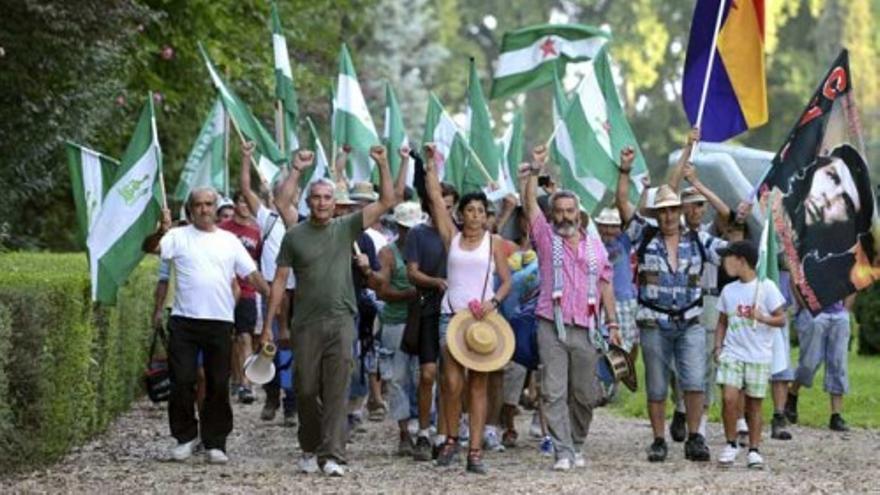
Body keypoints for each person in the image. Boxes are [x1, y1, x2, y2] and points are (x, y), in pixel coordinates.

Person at [260, 145, 396, 477]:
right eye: (316, 197)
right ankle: (309, 446)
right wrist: (269, 327)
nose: (322, 202)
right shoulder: (295, 236)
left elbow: (387, 202)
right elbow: (278, 281)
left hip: (341, 320)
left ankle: (333, 454)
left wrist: (382, 163)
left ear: (335, 203)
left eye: (327, 197)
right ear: (308, 203)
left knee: (337, 389)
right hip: (305, 323)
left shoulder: (346, 228)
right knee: (305, 389)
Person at [143, 187, 270, 465]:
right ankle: (185, 437)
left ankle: (216, 442)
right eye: (198, 205)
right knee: (183, 381)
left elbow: (251, 274)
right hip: (184, 321)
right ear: (191, 209)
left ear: (216, 208)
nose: (204, 209)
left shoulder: (229, 241)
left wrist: (272, 296)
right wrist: (161, 230)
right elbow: (150, 247)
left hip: (220, 321)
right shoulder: (177, 236)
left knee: (217, 384)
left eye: (209, 204)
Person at [617, 157, 727, 463]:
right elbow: (623, 204)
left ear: (680, 211)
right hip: (653, 322)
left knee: (695, 382)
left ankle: (695, 438)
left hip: (690, 322)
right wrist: (624, 172)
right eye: (662, 210)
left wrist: (747, 258)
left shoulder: (698, 239)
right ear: (657, 213)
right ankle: (658, 440)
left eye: (672, 209)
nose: (667, 215)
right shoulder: (646, 235)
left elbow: (728, 248)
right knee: (656, 384)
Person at [521, 146, 619, 471]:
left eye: (569, 210)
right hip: (551, 323)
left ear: (578, 214)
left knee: (586, 393)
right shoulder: (546, 237)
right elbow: (529, 204)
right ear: (553, 215)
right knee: (552, 390)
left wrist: (614, 324)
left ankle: (577, 443)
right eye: (558, 210)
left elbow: (605, 283)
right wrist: (535, 172)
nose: (564, 215)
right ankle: (562, 451)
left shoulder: (595, 245)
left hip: (588, 327)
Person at [423, 143, 512, 475]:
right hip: (452, 316)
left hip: (485, 321)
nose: (474, 215)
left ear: (486, 215)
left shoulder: (495, 243)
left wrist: (493, 302)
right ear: (460, 214)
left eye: (480, 210)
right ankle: (449, 439)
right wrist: (430, 164)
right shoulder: (453, 237)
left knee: (479, 384)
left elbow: (506, 281)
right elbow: (434, 198)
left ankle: (475, 451)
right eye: (469, 210)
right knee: (450, 382)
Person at [239, 143, 311, 425]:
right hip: (270, 289)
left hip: (299, 292)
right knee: (267, 343)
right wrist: (246, 158)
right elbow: (246, 189)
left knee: (293, 345)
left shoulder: (303, 222)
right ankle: (271, 395)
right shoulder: (266, 219)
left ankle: (292, 402)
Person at [713, 241, 786, 469]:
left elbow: (781, 318)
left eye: (728, 257)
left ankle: (754, 449)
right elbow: (722, 322)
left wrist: (763, 317)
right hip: (733, 353)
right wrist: (718, 347)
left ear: (741, 260)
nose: (724, 262)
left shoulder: (767, 288)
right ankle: (731, 442)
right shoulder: (728, 290)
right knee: (729, 398)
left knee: (754, 405)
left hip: (758, 355)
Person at [405, 180, 459, 462]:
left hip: (456, 311)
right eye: (441, 205)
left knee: (450, 377)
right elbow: (411, 272)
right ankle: (423, 430)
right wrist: (435, 281)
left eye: (450, 207)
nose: (445, 211)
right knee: (427, 374)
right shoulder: (417, 234)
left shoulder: (461, 235)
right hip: (428, 308)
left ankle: (444, 432)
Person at [375, 201, 423, 456]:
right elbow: (382, 290)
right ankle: (404, 433)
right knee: (397, 378)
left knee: (423, 376)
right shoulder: (388, 253)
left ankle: (425, 429)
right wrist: (409, 294)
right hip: (397, 321)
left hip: (422, 320)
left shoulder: (425, 249)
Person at [218, 191, 262, 404]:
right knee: (231, 338)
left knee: (245, 337)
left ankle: (246, 383)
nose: (245, 206)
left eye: (248, 202)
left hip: (247, 291)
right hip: (223, 290)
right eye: (241, 201)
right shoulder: (223, 230)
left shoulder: (256, 232)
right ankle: (235, 378)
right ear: (234, 205)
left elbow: (259, 262)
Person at [786, 295, 854, 432]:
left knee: (838, 364)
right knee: (809, 363)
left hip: (839, 315)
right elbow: (796, 279)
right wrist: (805, 307)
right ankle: (792, 393)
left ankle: (836, 415)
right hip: (814, 314)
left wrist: (845, 311)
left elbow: (852, 283)